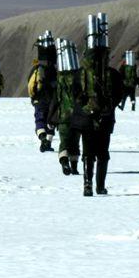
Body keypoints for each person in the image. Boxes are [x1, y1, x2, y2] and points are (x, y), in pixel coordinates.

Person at [73, 13, 123, 196]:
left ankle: (87, 184)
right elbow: (119, 95)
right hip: (106, 118)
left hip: (86, 118)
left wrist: (86, 107)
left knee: (88, 152)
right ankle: (100, 186)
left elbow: (75, 94)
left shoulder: (80, 74)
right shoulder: (114, 74)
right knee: (103, 152)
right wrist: (108, 108)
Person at [49, 39, 82, 176]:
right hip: (78, 117)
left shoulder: (60, 82)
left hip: (63, 117)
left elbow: (55, 101)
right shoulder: (80, 79)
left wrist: (50, 118)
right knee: (75, 142)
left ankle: (64, 162)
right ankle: (74, 166)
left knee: (64, 142)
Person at [28, 31, 58, 152]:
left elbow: (31, 85)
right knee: (52, 121)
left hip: (39, 99)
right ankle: (48, 143)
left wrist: (33, 97)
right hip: (53, 99)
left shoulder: (37, 69)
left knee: (39, 120)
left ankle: (42, 138)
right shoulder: (55, 69)